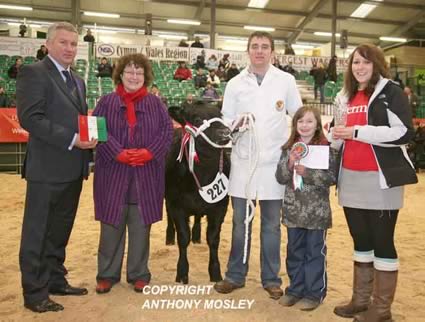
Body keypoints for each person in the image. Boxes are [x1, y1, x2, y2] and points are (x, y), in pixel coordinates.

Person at [330, 44, 417, 322]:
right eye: (356, 62)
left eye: (366, 62)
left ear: (376, 64)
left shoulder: (392, 91)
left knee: (382, 241)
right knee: (361, 240)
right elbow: (337, 134)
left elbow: (403, 132)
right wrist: (333, 135)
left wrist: (357, 131)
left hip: (381, 180)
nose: (360, 67)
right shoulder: (344, 96)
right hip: (351, 178)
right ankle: (361, 299)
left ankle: (381, 310)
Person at [214, 31, 302, 299]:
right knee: (240, 223)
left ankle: (271, 278)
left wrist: (296, 154)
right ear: (248, 51)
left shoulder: (286, 81)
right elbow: (224, 123)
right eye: (255, 46)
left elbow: (299, 118)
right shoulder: (235, 83)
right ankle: (235, 275)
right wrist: (236, 124)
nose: (260, 51)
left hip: (275, 166)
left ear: (272, 52)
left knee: (272, 225)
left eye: (265, 47)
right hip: (243, 166)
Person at [16, 21, 97, 313]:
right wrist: (74, 139)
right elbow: (30, 119)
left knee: (60, 230)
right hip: (46, 170)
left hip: (73, 170)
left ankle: (55, 279)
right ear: (48, 45)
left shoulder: (77, 80)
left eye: (74, 44)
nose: (69, 49)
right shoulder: (34, 73)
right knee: (37, 232)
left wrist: (87, 140)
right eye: (63, 43)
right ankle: (34, 292)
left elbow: (78, 120)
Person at [92, 53, 173, 295]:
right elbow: (97, 130)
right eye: (129, 72)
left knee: (140, 228)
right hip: (112, 174)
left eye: (139, 72)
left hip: (145, 177)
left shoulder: (156, 104)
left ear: (145, 77)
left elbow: (166, 133)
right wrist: (117, 152)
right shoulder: (106, 102)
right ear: (120, 74)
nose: (134, 76)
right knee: (110, 228)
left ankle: (139, 274)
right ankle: (107, 274)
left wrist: (149, 153)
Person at [276, 106, 337, 311]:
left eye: (309, 121)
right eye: (300, 121)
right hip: (293, 211)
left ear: (317, 124)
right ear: (295, 125)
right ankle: (295, 290)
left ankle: (314, 293)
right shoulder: (289, 148)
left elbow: (331, 177)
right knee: (294, 252)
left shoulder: (325, 148)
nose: (304, 125)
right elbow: (280, 177)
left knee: (314, 253)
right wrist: (290, 163)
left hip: (316, 213)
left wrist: (308, 172)